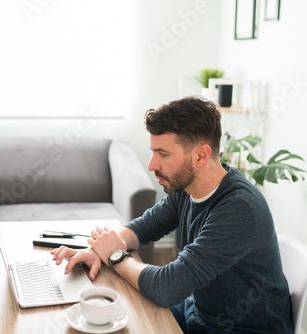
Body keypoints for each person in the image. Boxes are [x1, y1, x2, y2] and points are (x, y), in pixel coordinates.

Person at [52, 96, 294, 333]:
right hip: (198, 315)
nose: (151, 165)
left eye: (163, 154)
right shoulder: (187, 188)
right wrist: (97, 250)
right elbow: (145, 226)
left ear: (201, 155)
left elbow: (167, 287)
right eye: (153, 152)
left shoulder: (240, 209)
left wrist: (114, 255)